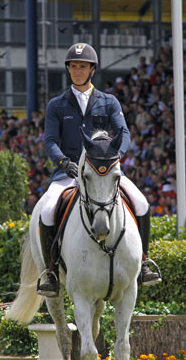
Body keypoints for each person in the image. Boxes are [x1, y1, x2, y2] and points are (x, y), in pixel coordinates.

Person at [37, 42, 161, 297]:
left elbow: (123, 132)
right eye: (73, 66)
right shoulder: (57, 105)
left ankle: (145, 262)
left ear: (92, 69)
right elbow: (50, 140)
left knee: (142, 203)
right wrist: (63, 162)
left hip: (103, 171)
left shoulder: (109, 102)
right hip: (68, 172)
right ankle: (51, 272)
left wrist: (114, 158)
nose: (77, 71)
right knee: (48, 210)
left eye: (82, 66)